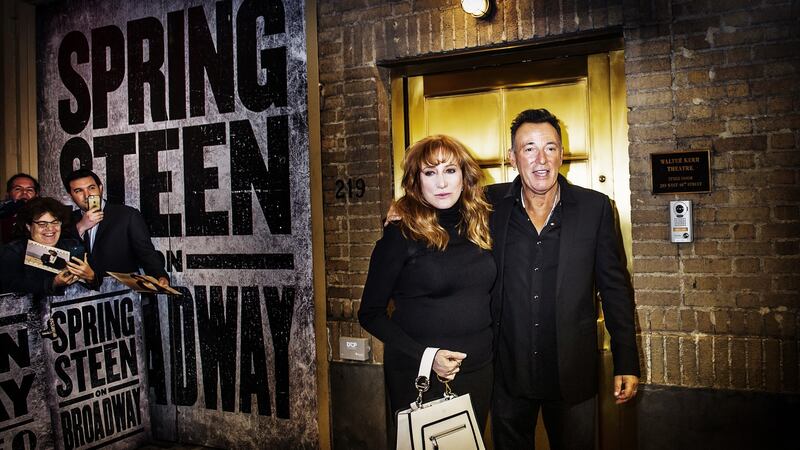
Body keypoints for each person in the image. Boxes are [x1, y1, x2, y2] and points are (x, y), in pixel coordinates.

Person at [487, 109, 639, 449]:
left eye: (550, 147)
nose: (541, 159)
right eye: (529, 148)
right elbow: (437, 199)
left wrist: (626, 360)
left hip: (572, 376)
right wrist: (402, 207)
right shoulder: (487, 205)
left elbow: (615, 289)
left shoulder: (595, 208)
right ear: (512, 157)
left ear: (561, 154)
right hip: (507, 375)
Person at [359, 135, 496, 434]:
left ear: (464, 176)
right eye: (430, 172)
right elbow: (369, 313)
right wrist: (428, 357)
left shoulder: (479, 226)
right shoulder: (400, 235)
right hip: (420, 376)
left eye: (450, 170)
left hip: (479, 372)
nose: (441, 183)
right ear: (416, 181)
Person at [63, 168, 169, 286]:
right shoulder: (67, 221)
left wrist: (160, 275)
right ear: (70, 195)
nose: (87, 195)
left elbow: (146, 252)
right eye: (78, 191)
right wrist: (81, 226)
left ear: (100, 188)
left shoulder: (127, 215)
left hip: (121, 294)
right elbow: (62, 252)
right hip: (79, 297)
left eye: (91, 188)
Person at [0, 197, 98, 296]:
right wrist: (53, 283)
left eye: (55, 222)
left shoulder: (72, 246)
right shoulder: (13, 251)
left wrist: (91, 277)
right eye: (42, 224)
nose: (50, 228)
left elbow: (95, 285)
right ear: (28, 226)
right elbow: (10, 286)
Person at [1, 173, 40, 244]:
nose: (24, 192)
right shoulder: (3, 214)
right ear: (8, 194)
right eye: (18, 189)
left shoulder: (43, 215)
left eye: (30, 190)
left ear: (36, 195)